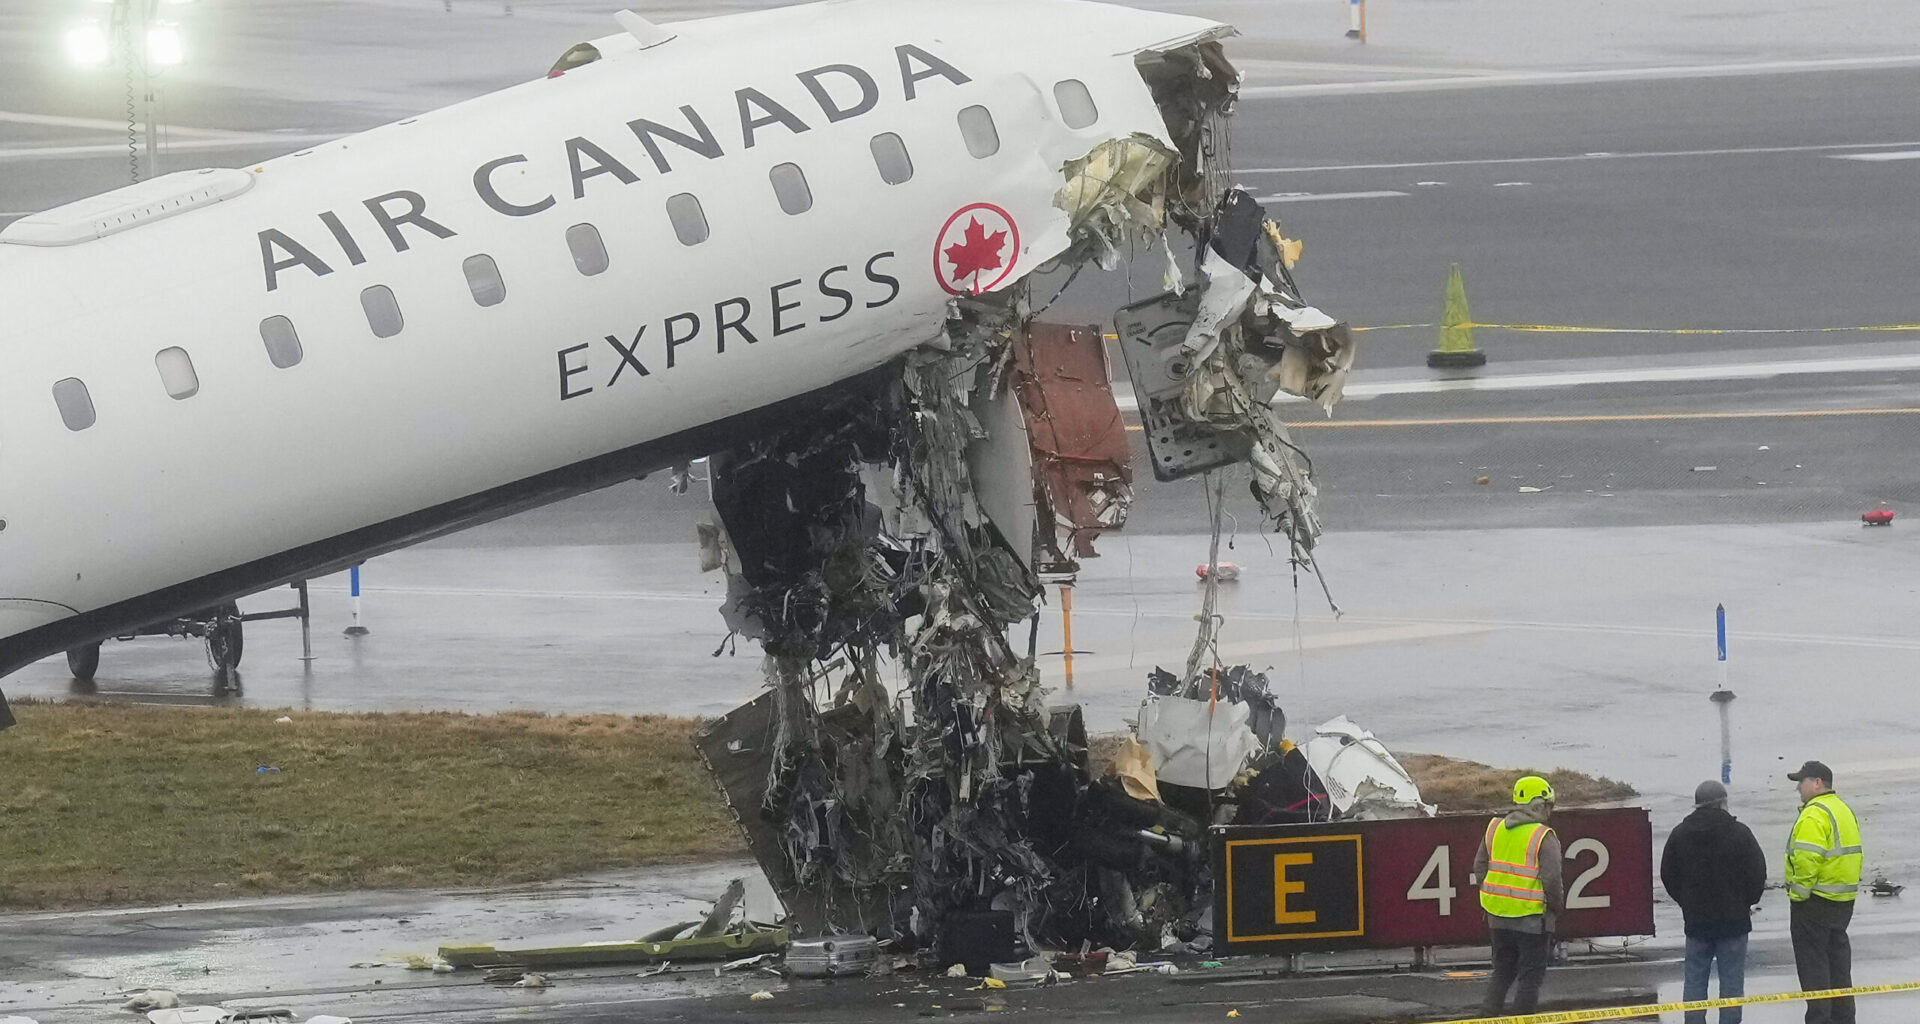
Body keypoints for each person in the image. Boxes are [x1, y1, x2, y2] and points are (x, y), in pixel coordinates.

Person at [1661, 780, 1767, 1024]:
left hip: (1697, 922)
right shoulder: (1740, 832)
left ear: (1696, 805)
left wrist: (1686, 902)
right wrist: (1747, 902)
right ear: (1723, 803)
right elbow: (1757, 872)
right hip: (1734, 922)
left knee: (1695, 982)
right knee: (1731, 984)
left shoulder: (1679, 834)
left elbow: (1668, 874)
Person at [1474, 775, 1565, 1016]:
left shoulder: (1494, 829)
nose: (1550, 810)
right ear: (1539, 804)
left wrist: (1496, 900)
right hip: (1532, 921)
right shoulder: (1543, 836)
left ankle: (1486, 1018)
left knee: (1502, 972)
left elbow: (1480, 868)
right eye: (1548, 805)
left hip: (1497, 917)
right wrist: (1556, 909)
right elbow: (1552, 880)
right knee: (1530, 978)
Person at [1785, 760, 1863, 1024]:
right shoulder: (1843, 810)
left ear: (1817, 783)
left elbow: (1807, 860)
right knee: (1839, 967)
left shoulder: (1815, 813)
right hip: (1842, 902)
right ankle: (1844, 1019)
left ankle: (1820, 1020)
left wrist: (1798, 894)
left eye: (1802, 782)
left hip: (1814, 903)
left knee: (1814, 969)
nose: (1798, 788)